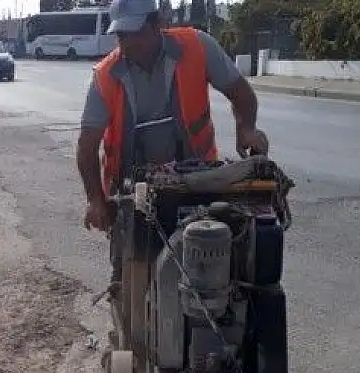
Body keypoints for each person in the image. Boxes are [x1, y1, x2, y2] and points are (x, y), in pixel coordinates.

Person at [77, 0, 269, 240]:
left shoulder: (197, 46)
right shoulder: (105, 76)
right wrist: (95, 199)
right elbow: (87, 145)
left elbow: (240, 91)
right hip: (132, 192)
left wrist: (247, 128)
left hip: (197, 184)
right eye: (121, 35)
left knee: (210, 257)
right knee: (129, 269)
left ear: (157, 24)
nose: (129, 43)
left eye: (137, 33)